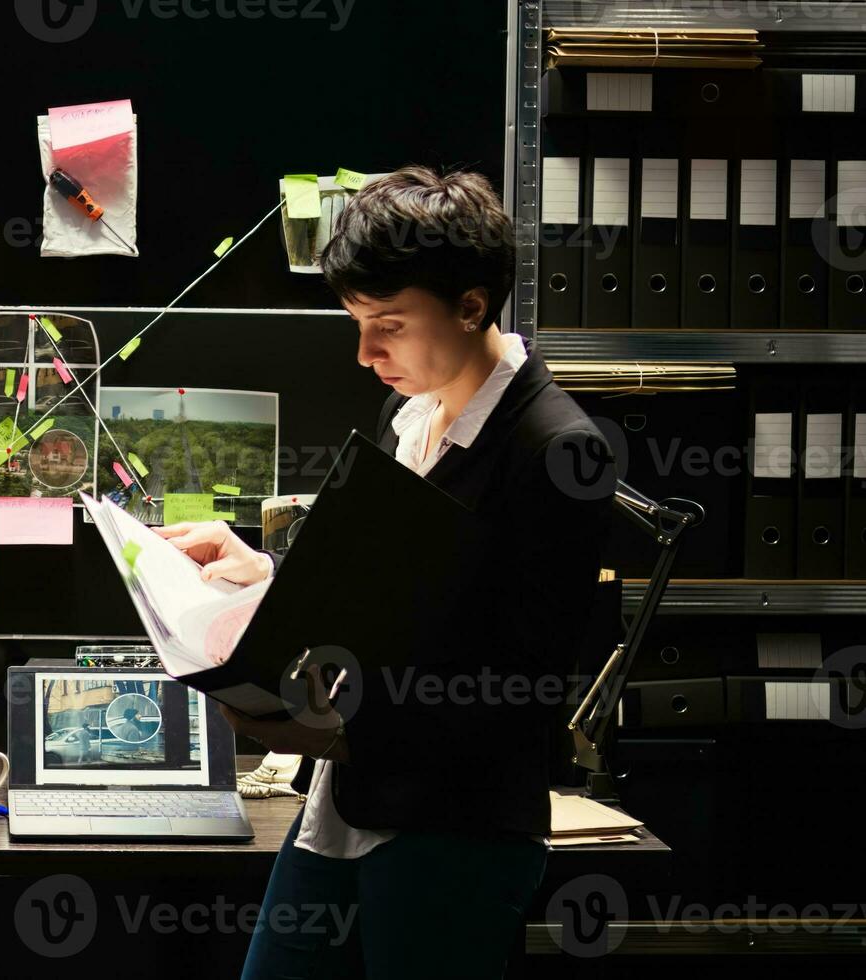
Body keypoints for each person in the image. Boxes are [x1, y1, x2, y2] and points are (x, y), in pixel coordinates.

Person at [154, 166, 616, 978]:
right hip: (347, 803)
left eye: (389, 325)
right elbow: (385, 590)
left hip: (452, 832)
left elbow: (521, 688)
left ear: (473, 307)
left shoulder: (557, 451)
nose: (366, 354)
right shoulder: (409, 412)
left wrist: (334, 724)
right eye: (358, 323)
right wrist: (262, 574)